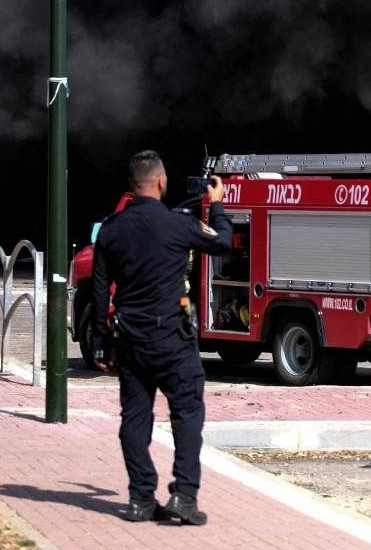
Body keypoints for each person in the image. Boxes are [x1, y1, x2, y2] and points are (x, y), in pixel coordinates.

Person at [91, 150, 231, 525]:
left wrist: (104, 341)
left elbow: (100, 292)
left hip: (131, 342)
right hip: (172, 338)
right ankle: (184, 496)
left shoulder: (110, 230)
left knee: (134, 420)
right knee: (187, 414)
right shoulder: (176, 224)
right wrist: (215, 205)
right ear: (160, 182)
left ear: (131, 185)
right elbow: (223, 242)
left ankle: (140, 499)